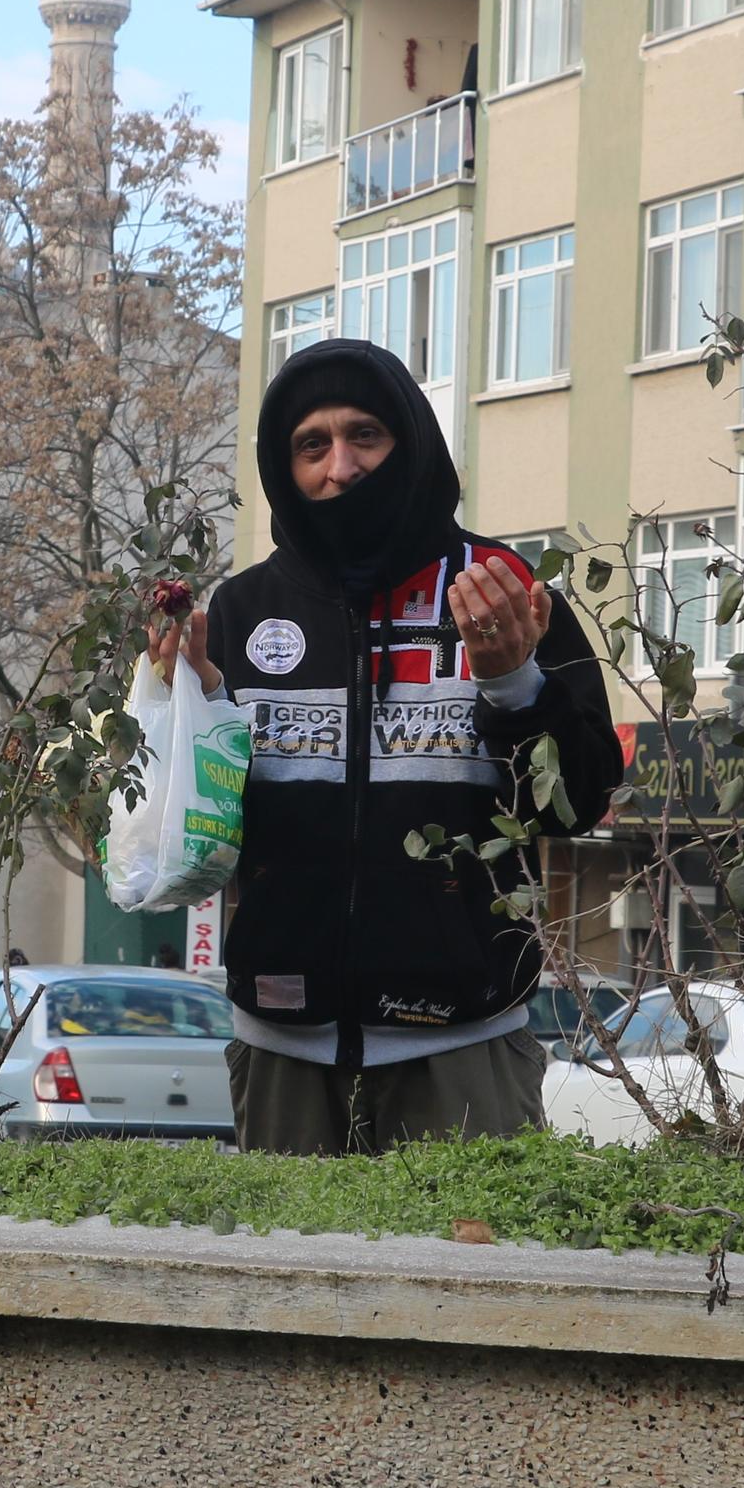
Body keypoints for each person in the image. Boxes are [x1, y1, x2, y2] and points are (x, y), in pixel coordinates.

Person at [151, 338, 624, 1155]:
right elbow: (196, 840)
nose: (341, 467)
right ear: (283, 463)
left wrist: (514, 685)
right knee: (288, 1280)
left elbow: (579, 802)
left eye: (364, 434)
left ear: (409, 440)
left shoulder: (503, 591)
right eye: (312, 444)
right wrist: (187, 714)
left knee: (471, 1280)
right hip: (281, 1048)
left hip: (465, 1047)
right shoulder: (242, 611)